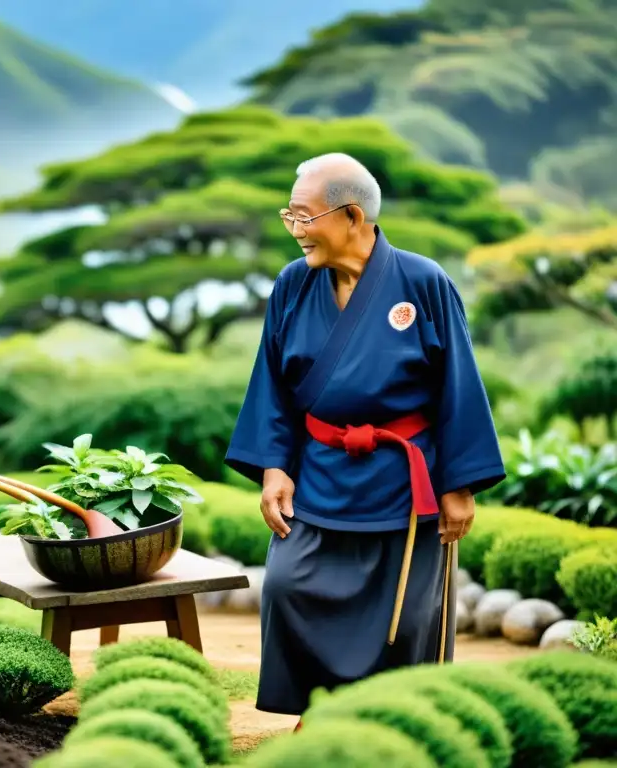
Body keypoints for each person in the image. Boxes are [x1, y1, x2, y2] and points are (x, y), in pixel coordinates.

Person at [224, 153, 505, 726]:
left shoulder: (423, 282)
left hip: (403, 485)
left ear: (351, 216)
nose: (296, 231)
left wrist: (460, 484)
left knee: (403, 612)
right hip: (320, 473)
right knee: (286, 584)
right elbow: (271, 383)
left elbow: (458, 387)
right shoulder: (293, 285)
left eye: (304, 218)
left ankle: (392, 720)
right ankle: (315, 707)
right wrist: (275, 467)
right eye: (290, 217)